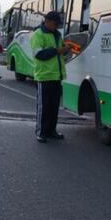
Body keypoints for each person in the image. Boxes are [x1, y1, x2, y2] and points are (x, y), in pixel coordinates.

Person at [31, 11, 70, 143]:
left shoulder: (58, 35)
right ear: (47, 21)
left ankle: (51, 130)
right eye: (54, 24)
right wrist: (57, 50)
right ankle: (41, 131)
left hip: (56, 76)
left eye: (57, 25)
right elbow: (39, 54)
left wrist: (65, 49)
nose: (56, 27)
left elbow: (60, 54)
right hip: (44, 76)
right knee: (44, 106)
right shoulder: (38, 34)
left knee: (54, 106)